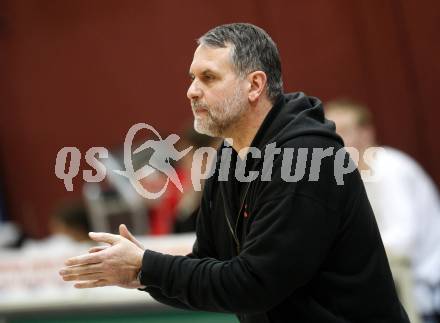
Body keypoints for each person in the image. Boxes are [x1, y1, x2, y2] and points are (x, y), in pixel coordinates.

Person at [59, 23, 410, 322]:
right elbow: (208, 267)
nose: (192, 91)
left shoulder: (307, 157)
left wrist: (145, 267)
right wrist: (138, 274)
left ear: (255, 85)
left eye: (208, 78)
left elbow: (254, 285)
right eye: (192, 78)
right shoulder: (228, 157)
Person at [325, 100, 440, 323]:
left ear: (366, 133)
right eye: (331, 132)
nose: (337, 141)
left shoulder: (390, 168)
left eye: (344, 131)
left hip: (427, 292)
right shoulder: (352, 179)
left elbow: (402, 241)